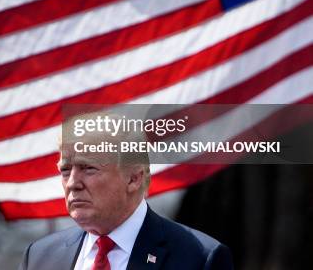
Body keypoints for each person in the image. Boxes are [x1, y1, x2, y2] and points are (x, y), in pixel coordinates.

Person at [18, 113, 234, 270]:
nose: (72, 182)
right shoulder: (39, 256)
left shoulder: (200, 258)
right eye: (65, 170)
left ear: (134, 178)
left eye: (89, 168)